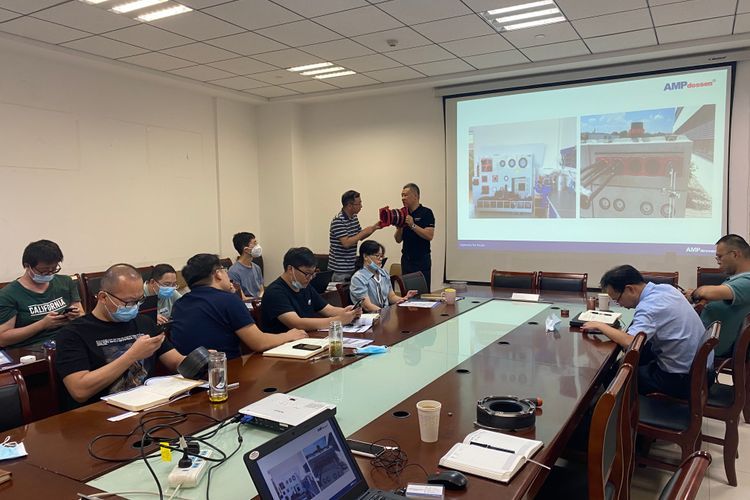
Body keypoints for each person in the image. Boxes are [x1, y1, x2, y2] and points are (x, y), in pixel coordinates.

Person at [55, 264, 185, 408]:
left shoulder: (144, 323)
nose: (135, 307)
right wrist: (132, 355)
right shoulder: (73, 333)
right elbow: (79, 391)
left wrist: (201, 361)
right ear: (103, 297)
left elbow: (175, 361)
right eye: (128, 302)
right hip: (101, 411)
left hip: (147, 404)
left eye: (139, 300)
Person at [582, 264, 709, 400]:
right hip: (702, 370)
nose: (620, 304)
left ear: (630, 289)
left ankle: (617, 410)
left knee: (614, 376)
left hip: (683, 379)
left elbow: (631, 342)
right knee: (635, 357)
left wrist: (600, 325)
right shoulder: (666, 289)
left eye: (617, 300)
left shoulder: (649, 306)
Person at [170, 254, 306, 359]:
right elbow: (258, 342)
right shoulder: (228, 300)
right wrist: (289, 335)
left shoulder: (179, 304)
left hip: (188, 376)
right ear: (218, 274)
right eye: (224, 270)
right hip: (225, 372)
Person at [0, 239, 85, 348]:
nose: (49, 273)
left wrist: (76, 316)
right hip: (32, 348)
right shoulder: (8, 295)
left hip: (68, 341)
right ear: (27, 266)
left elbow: (81, 314)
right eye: (43, 271)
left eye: (54, 269)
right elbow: (3, 339)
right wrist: (42, 324)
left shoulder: (65, 282)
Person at [262, 247, 360, 333]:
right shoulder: (275, 292)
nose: (310, 278)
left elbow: (328, 309)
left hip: (306, 338)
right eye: (307, 274)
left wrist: (348, 312)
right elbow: (297, 323)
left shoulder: (304, 286)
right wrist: (338, 321)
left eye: (313, 274)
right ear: (290, 269)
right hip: (283, 344)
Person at [685, 234, 750, 358]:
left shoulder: (747, 280)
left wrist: (694, 294)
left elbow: (708, 292)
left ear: (735, 254)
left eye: (720, 256)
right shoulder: (738, 280)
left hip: (709, 348)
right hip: (704, 342)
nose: (718, 261)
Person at [349, 240, 416, 312]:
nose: (381, 259)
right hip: (370, 315)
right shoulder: (358, 278)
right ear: (365, 256)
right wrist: (386, 313)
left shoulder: (383, 273)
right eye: (377, 256)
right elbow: (367, 306)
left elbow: (391, 297)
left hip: (383, 313)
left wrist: (404, 299)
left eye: (381, 256)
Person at [328, 190, 380, 282]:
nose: (361, 206)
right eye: (358, 204)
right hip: (339, 271)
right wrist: (363, 232)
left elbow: (360, 236)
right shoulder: (338, 220)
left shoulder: (354, 217)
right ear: (349, 206)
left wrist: (374, 227)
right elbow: (346, 243)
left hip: (351, 267)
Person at [394, 183, 435, 289]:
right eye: (402, 195)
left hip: (421, 261)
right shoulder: (402, 213)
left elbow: (429, 235)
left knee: (422, 293)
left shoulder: (426, 212)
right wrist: (400, 227)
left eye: (406, 195)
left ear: (416, 196)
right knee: (408, 293)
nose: (403, 198)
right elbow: (398, 240)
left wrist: (412, 225)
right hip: (406, 260)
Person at [228, 232, 264, 298]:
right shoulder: (233, 271)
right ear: (246, 249)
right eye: (255, 243)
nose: (258, 246)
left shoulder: (257, 268)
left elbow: (261, 290)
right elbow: (242, 297)